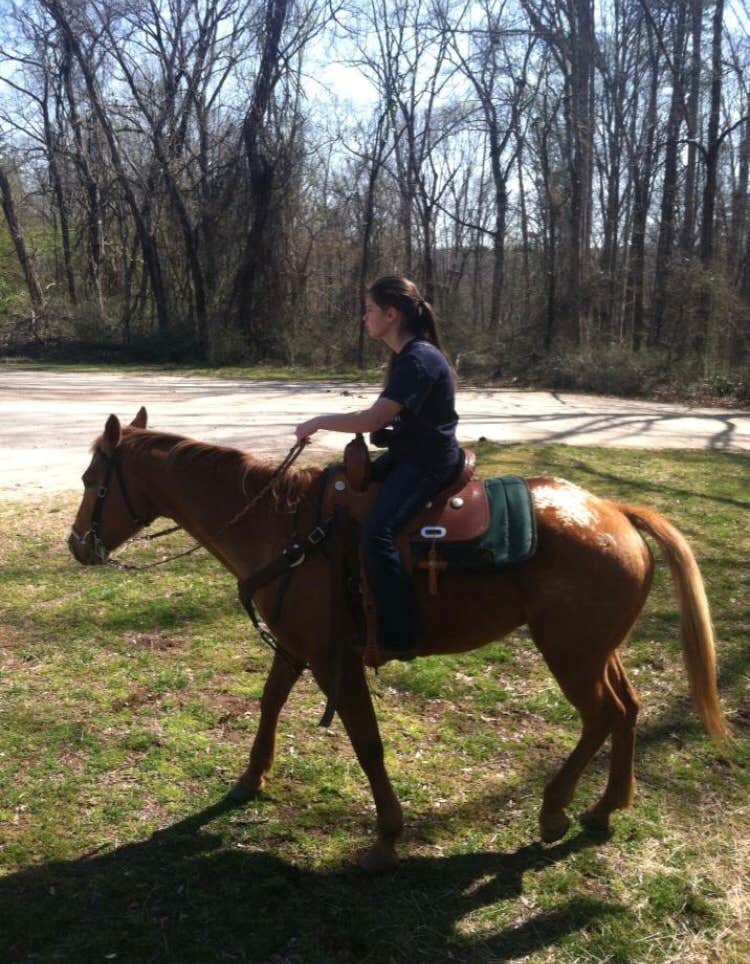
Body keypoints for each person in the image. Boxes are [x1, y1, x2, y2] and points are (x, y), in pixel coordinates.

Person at [295, 275, 461, 664]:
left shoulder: (418, 359)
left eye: (369, 310)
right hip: (410, 455)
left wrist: (317, 421)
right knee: (340, 488)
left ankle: (399, 634)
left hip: (428, 463)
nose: (363, 317)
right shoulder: (408, 356)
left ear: (392, 314)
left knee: (378, 533)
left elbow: (371, 419)